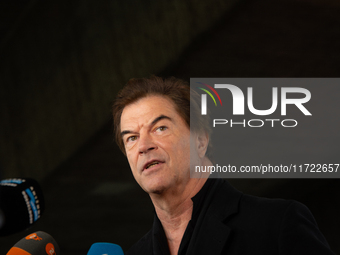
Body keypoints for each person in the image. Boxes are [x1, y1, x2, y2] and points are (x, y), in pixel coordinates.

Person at [112, 76, 334, 255]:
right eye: (131, 138)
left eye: (160, 128)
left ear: (200, 141)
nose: (143, 146)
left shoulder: (276, 224)